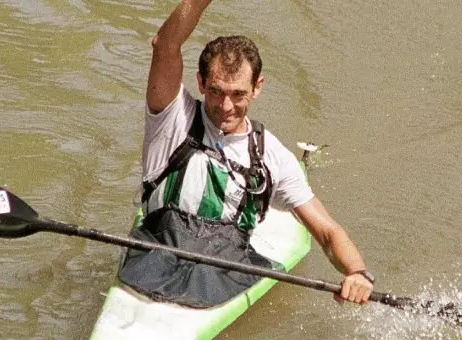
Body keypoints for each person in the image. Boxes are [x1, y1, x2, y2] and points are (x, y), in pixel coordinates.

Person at [119, 0, 374, 308]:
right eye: (216, 91)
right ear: (200, 83)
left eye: (238, 94)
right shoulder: (173, 119)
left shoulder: (275, 159)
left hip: (222, 275)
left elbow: (328, 232)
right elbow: (165, 45)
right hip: (153, 254)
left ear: (257, 88)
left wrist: (356, 272)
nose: (225, 106)